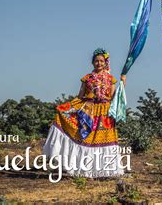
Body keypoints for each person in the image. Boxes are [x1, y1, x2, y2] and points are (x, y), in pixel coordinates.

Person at [43, 48, 126, 178]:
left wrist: (123, 84)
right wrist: (68, 107)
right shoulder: (86, 78)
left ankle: (107, 171)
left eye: (101, 61)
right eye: (96, 61)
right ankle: (86, 170)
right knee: (87, 139)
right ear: (92, 63)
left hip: (105, 113)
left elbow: (114, 97)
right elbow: (80, 96)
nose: (99, 63)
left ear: (105, 63)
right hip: (89, 111)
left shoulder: (111, 79)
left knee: (105, 139)